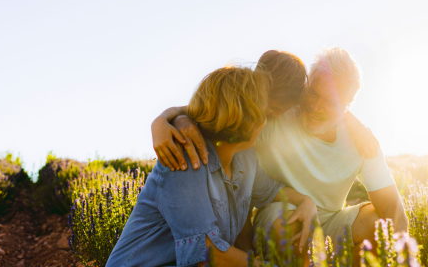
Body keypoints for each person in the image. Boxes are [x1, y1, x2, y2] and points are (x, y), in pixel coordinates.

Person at [151, 49, 402, 263]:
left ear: (347, 106)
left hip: (332, 218)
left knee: (381, 224)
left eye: (330, 102)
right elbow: (223, 107)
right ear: (306, 86)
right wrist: (169, 117)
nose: (315, 106)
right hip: (280, 214)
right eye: (313, 93)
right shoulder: (275, 113)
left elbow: (392, 206)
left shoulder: (362, 141)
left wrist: (401, 254)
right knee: (289, 223)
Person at [106, 66, 317, 267]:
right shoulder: (185, 158)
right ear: (249, 120)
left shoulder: (246, 158)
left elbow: (270, 189)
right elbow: (207, 255)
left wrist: (307, 202)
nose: (267, 120)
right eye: (264, 112)